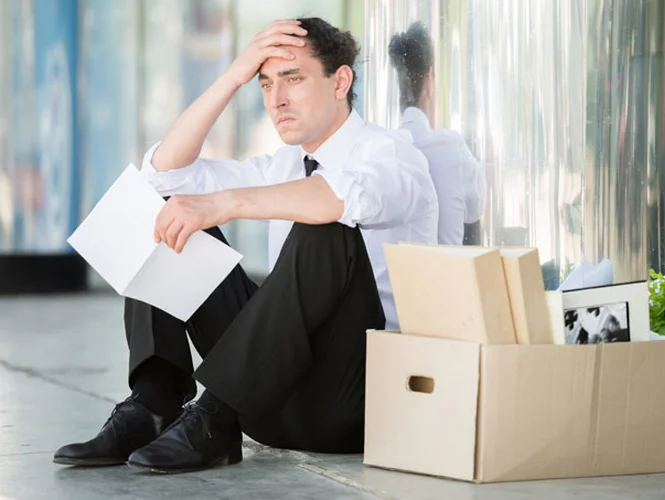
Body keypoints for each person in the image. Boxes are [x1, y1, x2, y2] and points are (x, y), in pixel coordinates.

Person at [53, 17, 438, 474]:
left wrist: (226, 203)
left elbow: (342, 198)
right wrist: (234, 74)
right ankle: (155, 404)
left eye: (293, 79)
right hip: (267, 394)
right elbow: (163, 173)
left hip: (357, 401)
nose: (277, 99)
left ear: (341, 81)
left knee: (326, 224)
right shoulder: (283, 164)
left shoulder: (392, 154)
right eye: (265, 84)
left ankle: (215, 414)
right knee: (163, 203)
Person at [389, 22, 485, 245]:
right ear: (429, 81)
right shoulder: (450, 146)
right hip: (448, 276)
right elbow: (476, 208)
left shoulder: (379, 151)